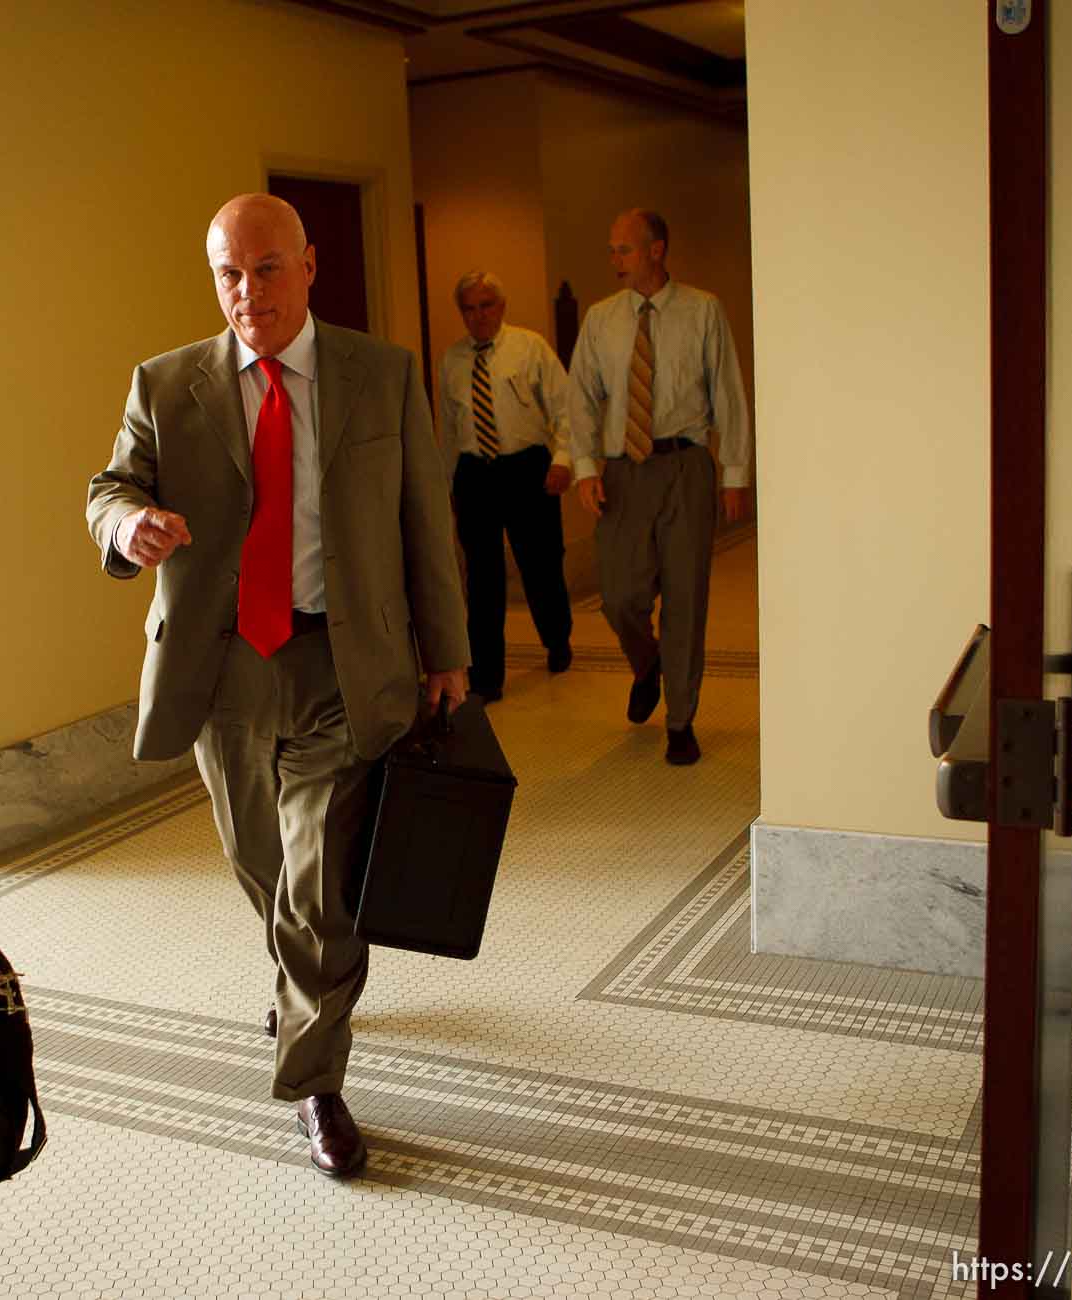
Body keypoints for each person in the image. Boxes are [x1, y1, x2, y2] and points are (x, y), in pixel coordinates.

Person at [86, 193, 468, 1179]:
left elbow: (427, 520)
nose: (246, 291)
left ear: (308, 266)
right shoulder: (167, 383)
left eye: (265, 268)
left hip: (346, 663)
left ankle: (316, 1079)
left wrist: (448, 647)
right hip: (223, 670)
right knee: (264, 866)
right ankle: (307, 975)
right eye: (227, 273)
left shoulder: (379, 376)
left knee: (317, 881)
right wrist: (127, 527)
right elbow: (108, 488)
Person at [566, 209, 751, 766]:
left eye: (623, 249)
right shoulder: (602, 320)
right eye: (612, 250)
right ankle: (648, 665)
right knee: (620, 595)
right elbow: (580, 394)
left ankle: (680, 719)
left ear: (656, 250)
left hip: (685, 465)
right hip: (625, 471)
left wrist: (734, 473)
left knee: (686, 596)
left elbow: (729, 395)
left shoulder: (703, 311)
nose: (614, 261)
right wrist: (585, 466)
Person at [437, 270, 574, 700]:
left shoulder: (529, 348)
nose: (478, 316)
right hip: (476, 475)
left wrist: (564, 460)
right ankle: (487, 675)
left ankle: (557, 638)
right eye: (469, 308)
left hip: (527, 469)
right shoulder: (452, 361)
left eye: (486, 306)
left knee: (540, 563)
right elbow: (449, 429)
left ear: (502, 306)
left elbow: (566, 409)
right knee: (481, 577)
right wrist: (447, 485)